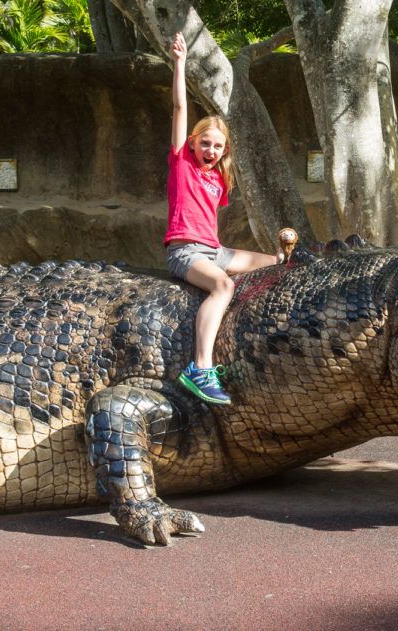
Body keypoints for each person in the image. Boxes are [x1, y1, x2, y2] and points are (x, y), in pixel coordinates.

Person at [165, 32, 279, 405]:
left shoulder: (217, 178)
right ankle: (199, 368)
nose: (210, 150)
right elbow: (181, 109)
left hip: (214, 251)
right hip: (186, 253)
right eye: (205, 142)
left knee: (279, 263)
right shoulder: (182, 162)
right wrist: (180, 64)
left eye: (217, 145)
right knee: (223, 287)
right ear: (193, 143)